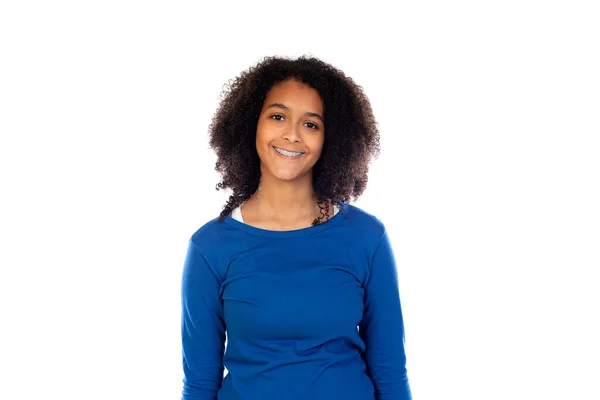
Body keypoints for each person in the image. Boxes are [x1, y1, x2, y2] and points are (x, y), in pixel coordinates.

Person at [180, 55, 412, 400]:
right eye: (277, 116)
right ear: (250, 125)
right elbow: (200, 384)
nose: (292, 134)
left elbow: (389, 370)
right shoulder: (210, 246)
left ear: (331, 139)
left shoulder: (366, 237)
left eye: (311, 124)